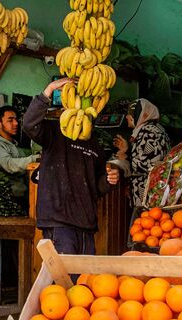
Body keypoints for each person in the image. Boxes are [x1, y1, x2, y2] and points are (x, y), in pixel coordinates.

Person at [23, 78, 120, 255]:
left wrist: (108, 181)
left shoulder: (95, 145)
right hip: (59, 221)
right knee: (63, 278)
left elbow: (95, 187)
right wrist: (49, 90)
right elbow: (29, 125)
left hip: (86, 223)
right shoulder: (54, 132)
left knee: (83, 280)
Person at [113, 99, 171, 208]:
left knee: (148, 222)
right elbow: (145, 155)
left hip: (150, 194)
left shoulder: (150, 132)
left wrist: (126, 157)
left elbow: (149, 165)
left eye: (130, 114)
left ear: (139, 114)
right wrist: (127, 149)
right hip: (145, 192)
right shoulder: (148, 130)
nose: (126, 117)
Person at [0, 105, 39, 199]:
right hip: (0, 200)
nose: (16, 123)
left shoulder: (15, 147)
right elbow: (10, 166)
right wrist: (37, 158)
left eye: (16, 120)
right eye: (10, 120)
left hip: (19, 197)